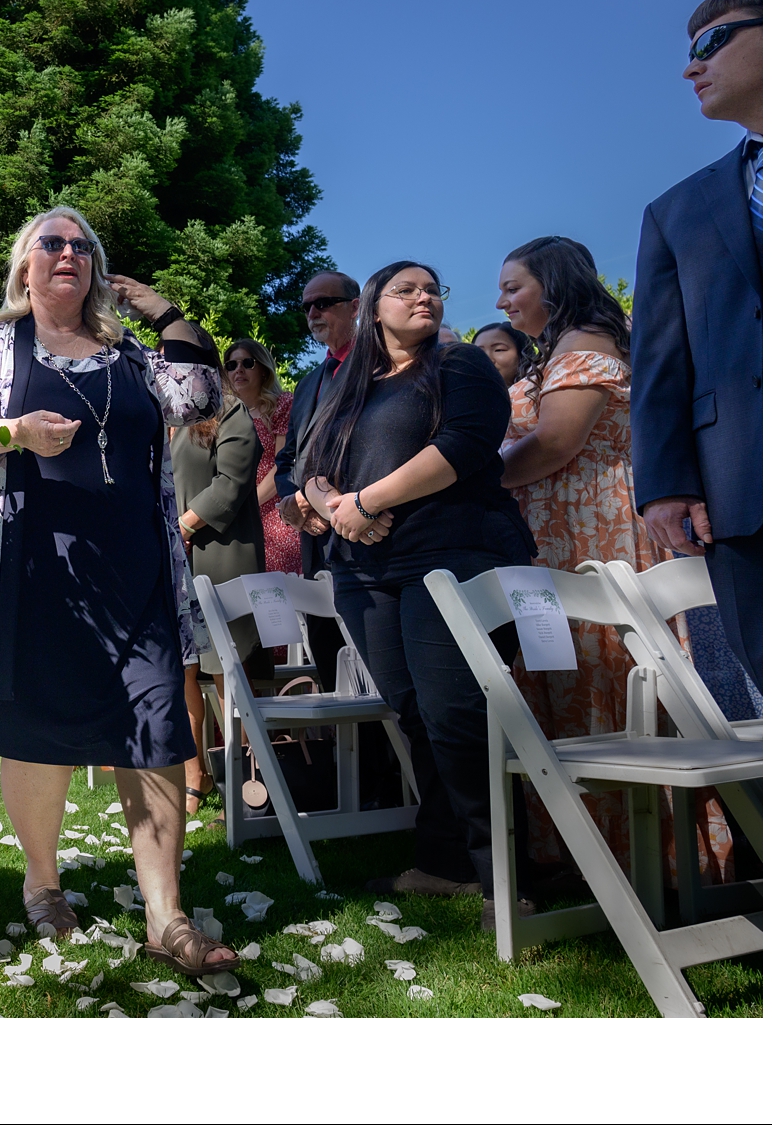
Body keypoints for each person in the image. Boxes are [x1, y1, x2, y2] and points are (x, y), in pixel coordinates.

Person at [0, 205, 235, 977]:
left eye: (82, 245)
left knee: (157, 726)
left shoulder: (129, 353)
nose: (68, 252)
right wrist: (11, 433)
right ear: (25, 267)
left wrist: (165, 311)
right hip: (35, 573)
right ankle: (44, 886)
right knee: (37, 728)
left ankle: (166, 916)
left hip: (134, 567)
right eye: (53, 242)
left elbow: (202, 397)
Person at [297, 260, 533, 916]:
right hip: (366, 573)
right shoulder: (349, 385)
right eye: (407, 288)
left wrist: (366, 499)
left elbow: (465, 445)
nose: (424, 296)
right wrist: (336, 501)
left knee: (457, 714)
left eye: (432, 288)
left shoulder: (459, 366)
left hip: (453, 556)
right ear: (375, 307)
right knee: (413, 714)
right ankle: (443, 860)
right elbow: (309, 469)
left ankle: (506, 877)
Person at [497, 237, 734, 886]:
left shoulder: (585, 345)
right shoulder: (577, 342)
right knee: (575, 674)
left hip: (588, 532)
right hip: (566, 528)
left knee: (602, 670)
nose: (501, 300)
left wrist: (478, 478)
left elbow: (554, 442)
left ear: (552, 281)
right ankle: (597, 856)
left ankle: (637, 860)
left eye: (513, 285)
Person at [632, 0, 763, 692]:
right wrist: (665, 484)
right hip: (744, 492)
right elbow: (661, 362)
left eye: (713, 41)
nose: (691, 65)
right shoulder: (676, 210)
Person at [170, 344, 265, 818]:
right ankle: (195, 775)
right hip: (166, 558)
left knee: (228, 670)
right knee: (180, 671)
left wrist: (183, 526)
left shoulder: (230, 411)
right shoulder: (156, 415)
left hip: (220, 555)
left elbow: (230, 484)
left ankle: (251, 781)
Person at [270, 271, 361, 689]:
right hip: (315, 538)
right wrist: (291, 501)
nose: (313, 313)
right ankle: (347, 755)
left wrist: (317, 495)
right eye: (307, 306)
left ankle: (388, 757)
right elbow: (288, 456)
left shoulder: (379, 367)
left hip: (362, 530)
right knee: (328, 656)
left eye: (323, 303)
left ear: (356, 307)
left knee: (372, 667)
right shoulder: (309, 382)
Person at [223, 338, 300, 577]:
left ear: (264, 369)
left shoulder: (282, 405)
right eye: (231, 365)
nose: (239, 370)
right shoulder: (220, 416)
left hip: (274, 514)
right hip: (233, 516)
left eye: (247, 363)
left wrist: (245, 507)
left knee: (278, 602)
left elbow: (282, 466)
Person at [471, 321, 531, 391]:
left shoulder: (540, 390)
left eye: (499, 350)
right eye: (479, 352)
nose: (487, 359)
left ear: (523, 353)